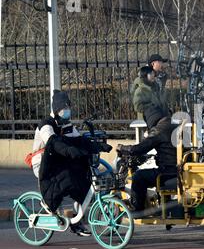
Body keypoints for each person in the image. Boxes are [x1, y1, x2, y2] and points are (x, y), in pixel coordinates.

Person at [36, 90, 112, 236]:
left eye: (68, 108)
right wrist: (70, 151)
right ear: (57, 109)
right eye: (64, 109)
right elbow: (54, 143)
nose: (67, 111)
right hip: (43, 162)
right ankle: (48, 202)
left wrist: (97, 146)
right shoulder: (46, 125)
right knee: (65, 178)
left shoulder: (66, 124)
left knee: (81, 181)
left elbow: (80, 140)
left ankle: (77, 222)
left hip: (60, 160)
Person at [117, 116, 177, 217]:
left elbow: (140, 148)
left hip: (167, 172)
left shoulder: (160, 129)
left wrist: (123, 148)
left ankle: (138, 211)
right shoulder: (175, 125)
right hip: (177, 170)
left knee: (138, 177)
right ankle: (161, 206)